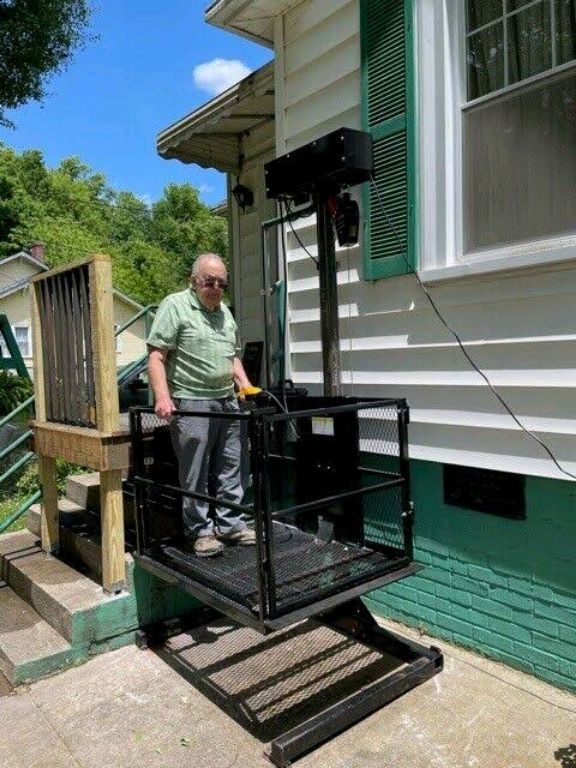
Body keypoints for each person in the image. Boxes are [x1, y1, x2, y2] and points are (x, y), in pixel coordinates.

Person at [147, 253, 259, 558]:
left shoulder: (226, 313)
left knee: (231, 464)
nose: (216, 287)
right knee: (196, 468)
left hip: (227, 399)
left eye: (222, 283)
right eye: (210, 281)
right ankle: (201, 531)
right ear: (194, 281)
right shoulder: (175, 305)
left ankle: (230, 523)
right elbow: (157, 356)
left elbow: (232, 357)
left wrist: (245, 384)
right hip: (192, 398)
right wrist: (163, 397)